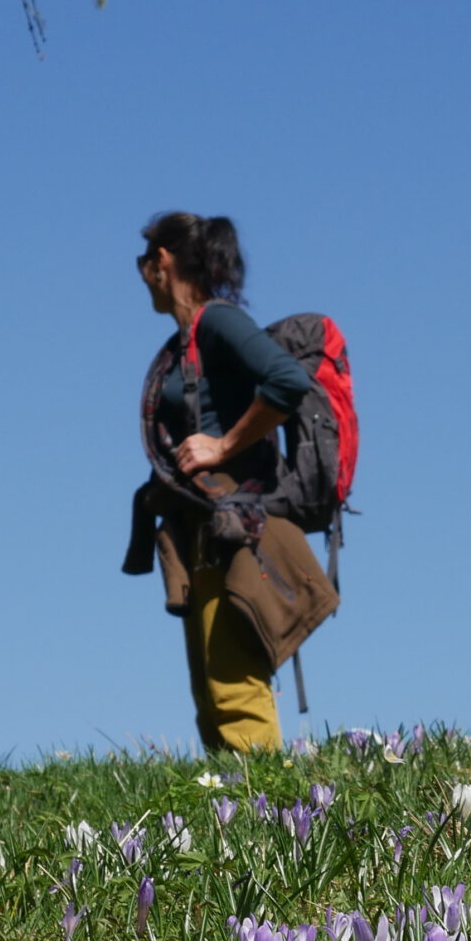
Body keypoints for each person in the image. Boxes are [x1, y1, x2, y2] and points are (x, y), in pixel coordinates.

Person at [123, 212, 335, 753]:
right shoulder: (186, 340)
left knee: (235, 688)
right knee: (212, 694)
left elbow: (287, 382)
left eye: (143, 261)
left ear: (163, 260)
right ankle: (231, 820)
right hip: (202, 528)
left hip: (236, 528)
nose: (141, 272)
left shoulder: (217, 322)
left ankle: (268, 822)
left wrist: (223, 445)